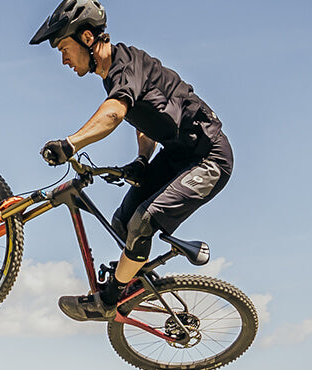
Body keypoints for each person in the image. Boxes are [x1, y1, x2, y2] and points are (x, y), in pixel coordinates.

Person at [32, 0, 234, 322]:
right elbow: (147, 122)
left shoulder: (124, 66)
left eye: (63, 48)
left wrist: (69, 145)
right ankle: (137, 286)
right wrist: (142, 160)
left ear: (86, 38)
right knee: (123, 222)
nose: (63, 59)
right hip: (179, 156)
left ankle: (108, 300)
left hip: (209, 158)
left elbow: (114, 113)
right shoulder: (116, 74)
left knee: (143, 220)